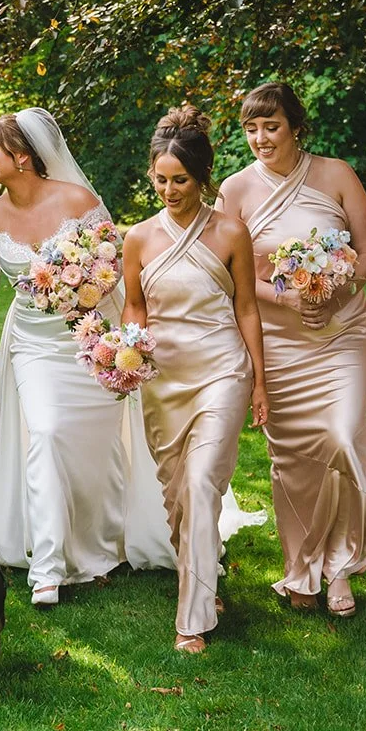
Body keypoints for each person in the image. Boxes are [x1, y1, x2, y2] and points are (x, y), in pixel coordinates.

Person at [0, 109, 175, 607]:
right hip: (33, 345)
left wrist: (92, 303)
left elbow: (116, 269)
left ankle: (104, 539)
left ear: (22, 156)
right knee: (45, 433)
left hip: (89, 340)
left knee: (94, 447)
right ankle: (48, 566)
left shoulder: (79, 202)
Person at [215, 81, 366, 618]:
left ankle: (342, 565)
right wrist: (286, 298)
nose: (261, 137)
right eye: (251, 128)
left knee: (342, 436)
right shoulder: (235, 190)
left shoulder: (337, 175)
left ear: (296, 127)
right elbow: (231, 272)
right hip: (278, 340)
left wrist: (337, 297)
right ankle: (302, 569)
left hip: (343, 332)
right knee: (294, 459)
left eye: (272, 126)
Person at [121, 105, 268, 654]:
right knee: (178, 497)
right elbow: (135, 307)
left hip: (222, 371)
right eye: (160, 179)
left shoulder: (231, 232)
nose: (169, 190)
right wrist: (125, 354)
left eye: (180, 180)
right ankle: (202, 577)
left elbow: (247, 308)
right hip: (163, 380)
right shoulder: (138, 238)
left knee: (203, 482)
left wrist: (259, 382)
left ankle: (192, 618)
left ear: (202, 177)